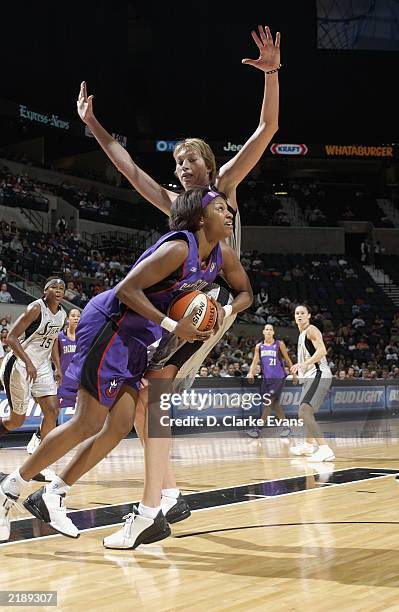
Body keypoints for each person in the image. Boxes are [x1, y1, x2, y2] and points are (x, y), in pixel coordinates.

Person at [76, 23, 280, 521]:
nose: (184, 166)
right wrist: (94, 126)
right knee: (147, 401)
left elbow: (266, 132)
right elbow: (129, 169)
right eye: (179, 161)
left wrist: (272, 74)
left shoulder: (226, 186)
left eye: (192, 159)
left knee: (152, 399)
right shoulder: (174, 205)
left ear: (209, 165)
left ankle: (160, 498)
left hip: (206, 307)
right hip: (179, 307)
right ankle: (166, 495)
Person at [0, 188, 253, 547]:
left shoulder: (221, 255)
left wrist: (224, 313)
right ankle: (10, 489)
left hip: (136, 336)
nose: (229, 215)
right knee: (88, 421)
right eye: (219, 209)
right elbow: (126, 289)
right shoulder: (179, 249)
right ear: (200, 218)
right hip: (109, 324)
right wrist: (172, 326)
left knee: (119, 424)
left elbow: (247, 293)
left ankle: (52, 495)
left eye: (229, 209)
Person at [0, 279, 66, 480]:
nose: (58, 291)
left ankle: (37, 465)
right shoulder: (35, 308)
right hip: (19, 364)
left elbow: (53, 339)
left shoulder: (62, 314)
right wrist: (28, 362)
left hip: (42, 365)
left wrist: (57, 366)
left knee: (52, 411)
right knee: (16, 421)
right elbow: (11, 337)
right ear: (45, 291)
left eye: (61, 288)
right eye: (53, 287)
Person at [27, 308, 81, 455]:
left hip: (80, 382)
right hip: (64, 382)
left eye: (78, 316)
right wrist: (56, 370)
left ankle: (85, 445)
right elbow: (53, 356)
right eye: (73, 316)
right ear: (68, 319)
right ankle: (39, 437)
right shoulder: (60, 337)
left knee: (85, 415)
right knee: (53, 414)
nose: (76, 318)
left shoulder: (83, 337)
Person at [289, 305, 335, 462]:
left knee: (304, 411)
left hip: (319, 374)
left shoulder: (311, 330)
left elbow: (322, 351)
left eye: (302, 313)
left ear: (309, 316)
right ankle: (309, 445)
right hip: (311, 376)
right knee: (306, 411)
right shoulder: (302, 334)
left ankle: (324, 449)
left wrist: (304, 364)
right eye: (297, 313)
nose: (299, 315)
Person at [246, 323, 297, 438]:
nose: (268, 331)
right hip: (266, 378)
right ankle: (286, 427)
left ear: (273, 332)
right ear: (263, 332)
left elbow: (288, 360)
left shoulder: (279, 344)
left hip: (278, 378)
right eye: (266, 329)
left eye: (270, 330)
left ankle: (257, 429)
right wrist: (250, 372)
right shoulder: (259, 346)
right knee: (274, 404)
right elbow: (255, 361)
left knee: (268, 403)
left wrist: (294, 374)